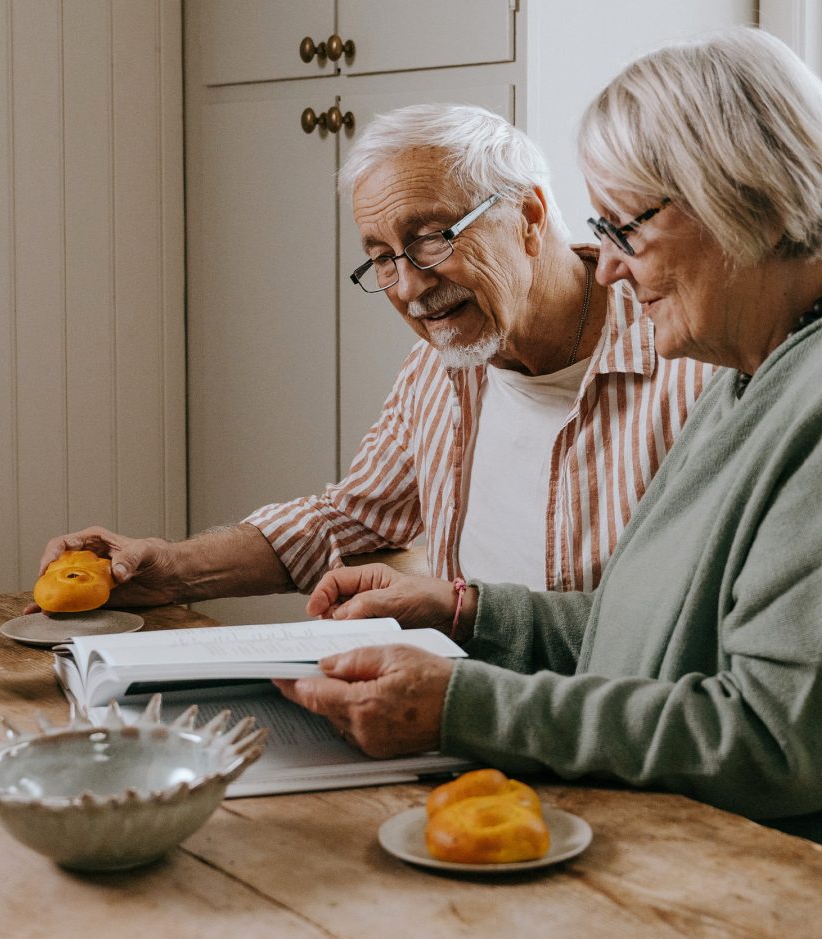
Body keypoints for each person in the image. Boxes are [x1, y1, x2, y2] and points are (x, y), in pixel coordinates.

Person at [277, 29, 822, 939]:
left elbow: (778, 742)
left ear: (736, 197)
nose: (611, 270)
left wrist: (464, 706)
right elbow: (659, 625)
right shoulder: (770, 359)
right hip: (733, 878)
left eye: (626, 228)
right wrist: (470, 611)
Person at [36, 104, 709, 606]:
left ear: (530, 217)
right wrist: (164, 569)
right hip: (460, 707)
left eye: (432, 238)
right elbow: (352, 518)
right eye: (382, 259)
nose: (411, 287)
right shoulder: (443, 365)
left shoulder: (694, 365)